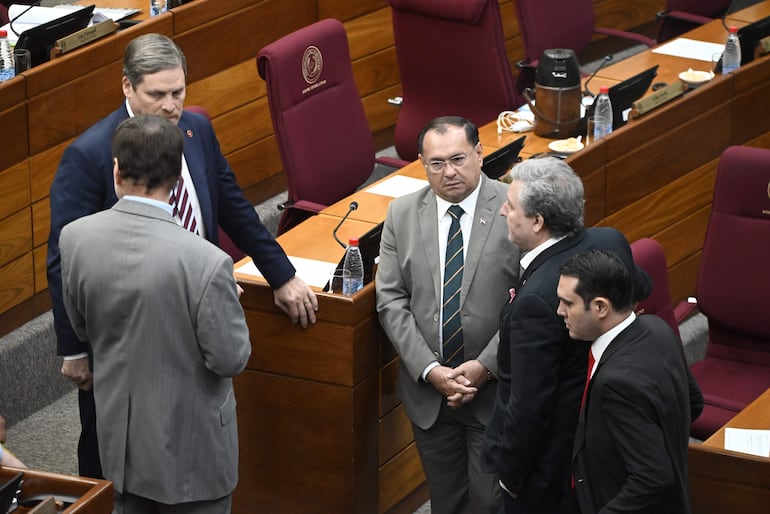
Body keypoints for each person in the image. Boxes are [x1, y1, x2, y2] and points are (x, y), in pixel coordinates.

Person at [46, 33, 317, 478]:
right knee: (108, 442)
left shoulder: (197, 129)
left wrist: (281, 274)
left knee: (195, 416)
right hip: (126, 326)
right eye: (158, 95)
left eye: (178, 92)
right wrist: (73, 347)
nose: (171, 105)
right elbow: (64, 257)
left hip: (197, 302)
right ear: (127, 87)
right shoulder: (91, 154)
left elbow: (233, 205)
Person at [59, 114, 251, 513]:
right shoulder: (208, 263)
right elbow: (230, 358)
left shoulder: (75, 239)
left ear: (116, 171)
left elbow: (81, 326)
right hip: (192, 457)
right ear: (179, 178)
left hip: (121, 448)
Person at [481, 156, 651, 514]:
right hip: (597, 440)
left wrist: (510, 477)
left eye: (510, 206)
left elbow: (529, 405)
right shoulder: (611, 240)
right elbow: (643, 287)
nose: (502, 213)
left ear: (537, 221)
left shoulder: (538, 299)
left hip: (547, 469)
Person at [376, 116, 520, 514]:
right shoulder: (401, 214)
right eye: (436, 163)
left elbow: (528, 303)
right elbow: (390, 301)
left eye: (458, 159)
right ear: (422, 163)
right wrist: (430, 370)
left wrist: (484, 366)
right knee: (446, 503)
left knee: (489, 503)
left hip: (493, 390)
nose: (449, 172)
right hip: (430, 394)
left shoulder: (514, 207)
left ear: (479, 153)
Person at [557, 249, 700, 514]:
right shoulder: (658, 329)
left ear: (600, 307)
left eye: (568, 303)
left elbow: (652, 477)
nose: (560, 311)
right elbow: (694, 403)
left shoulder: (617, 384)